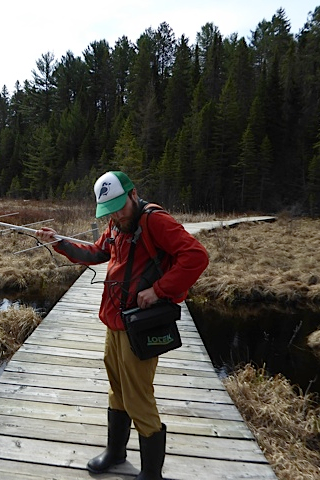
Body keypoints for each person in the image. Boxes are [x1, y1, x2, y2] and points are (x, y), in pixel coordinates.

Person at [36, 171, 209, 480]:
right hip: (115, 320)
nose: (116, 215)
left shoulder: (156, 221)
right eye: (109, 211)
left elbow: (196, 257)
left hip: (140, 325)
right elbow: (97, 252)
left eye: (120, 207)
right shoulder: (116, 225)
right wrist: (60, 241)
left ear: (133, 195)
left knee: (138, 397)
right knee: (117, 390)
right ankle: (116, 453)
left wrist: (158, 291)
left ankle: (151, 474)